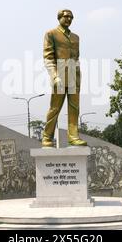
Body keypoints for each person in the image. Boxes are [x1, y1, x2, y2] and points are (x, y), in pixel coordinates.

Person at [41, 9, 87, 147]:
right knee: (55, 108)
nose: (69, 19)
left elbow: (76, 57)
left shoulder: (76, 37)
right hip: (59, 73)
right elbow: (48, 57)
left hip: (74, 73)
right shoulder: (51, 34)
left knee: (74, 107)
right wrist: (54, 76)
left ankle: (73, 136)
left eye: (71, 17)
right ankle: (47, 137)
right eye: (66, 17)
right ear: (59, 18)